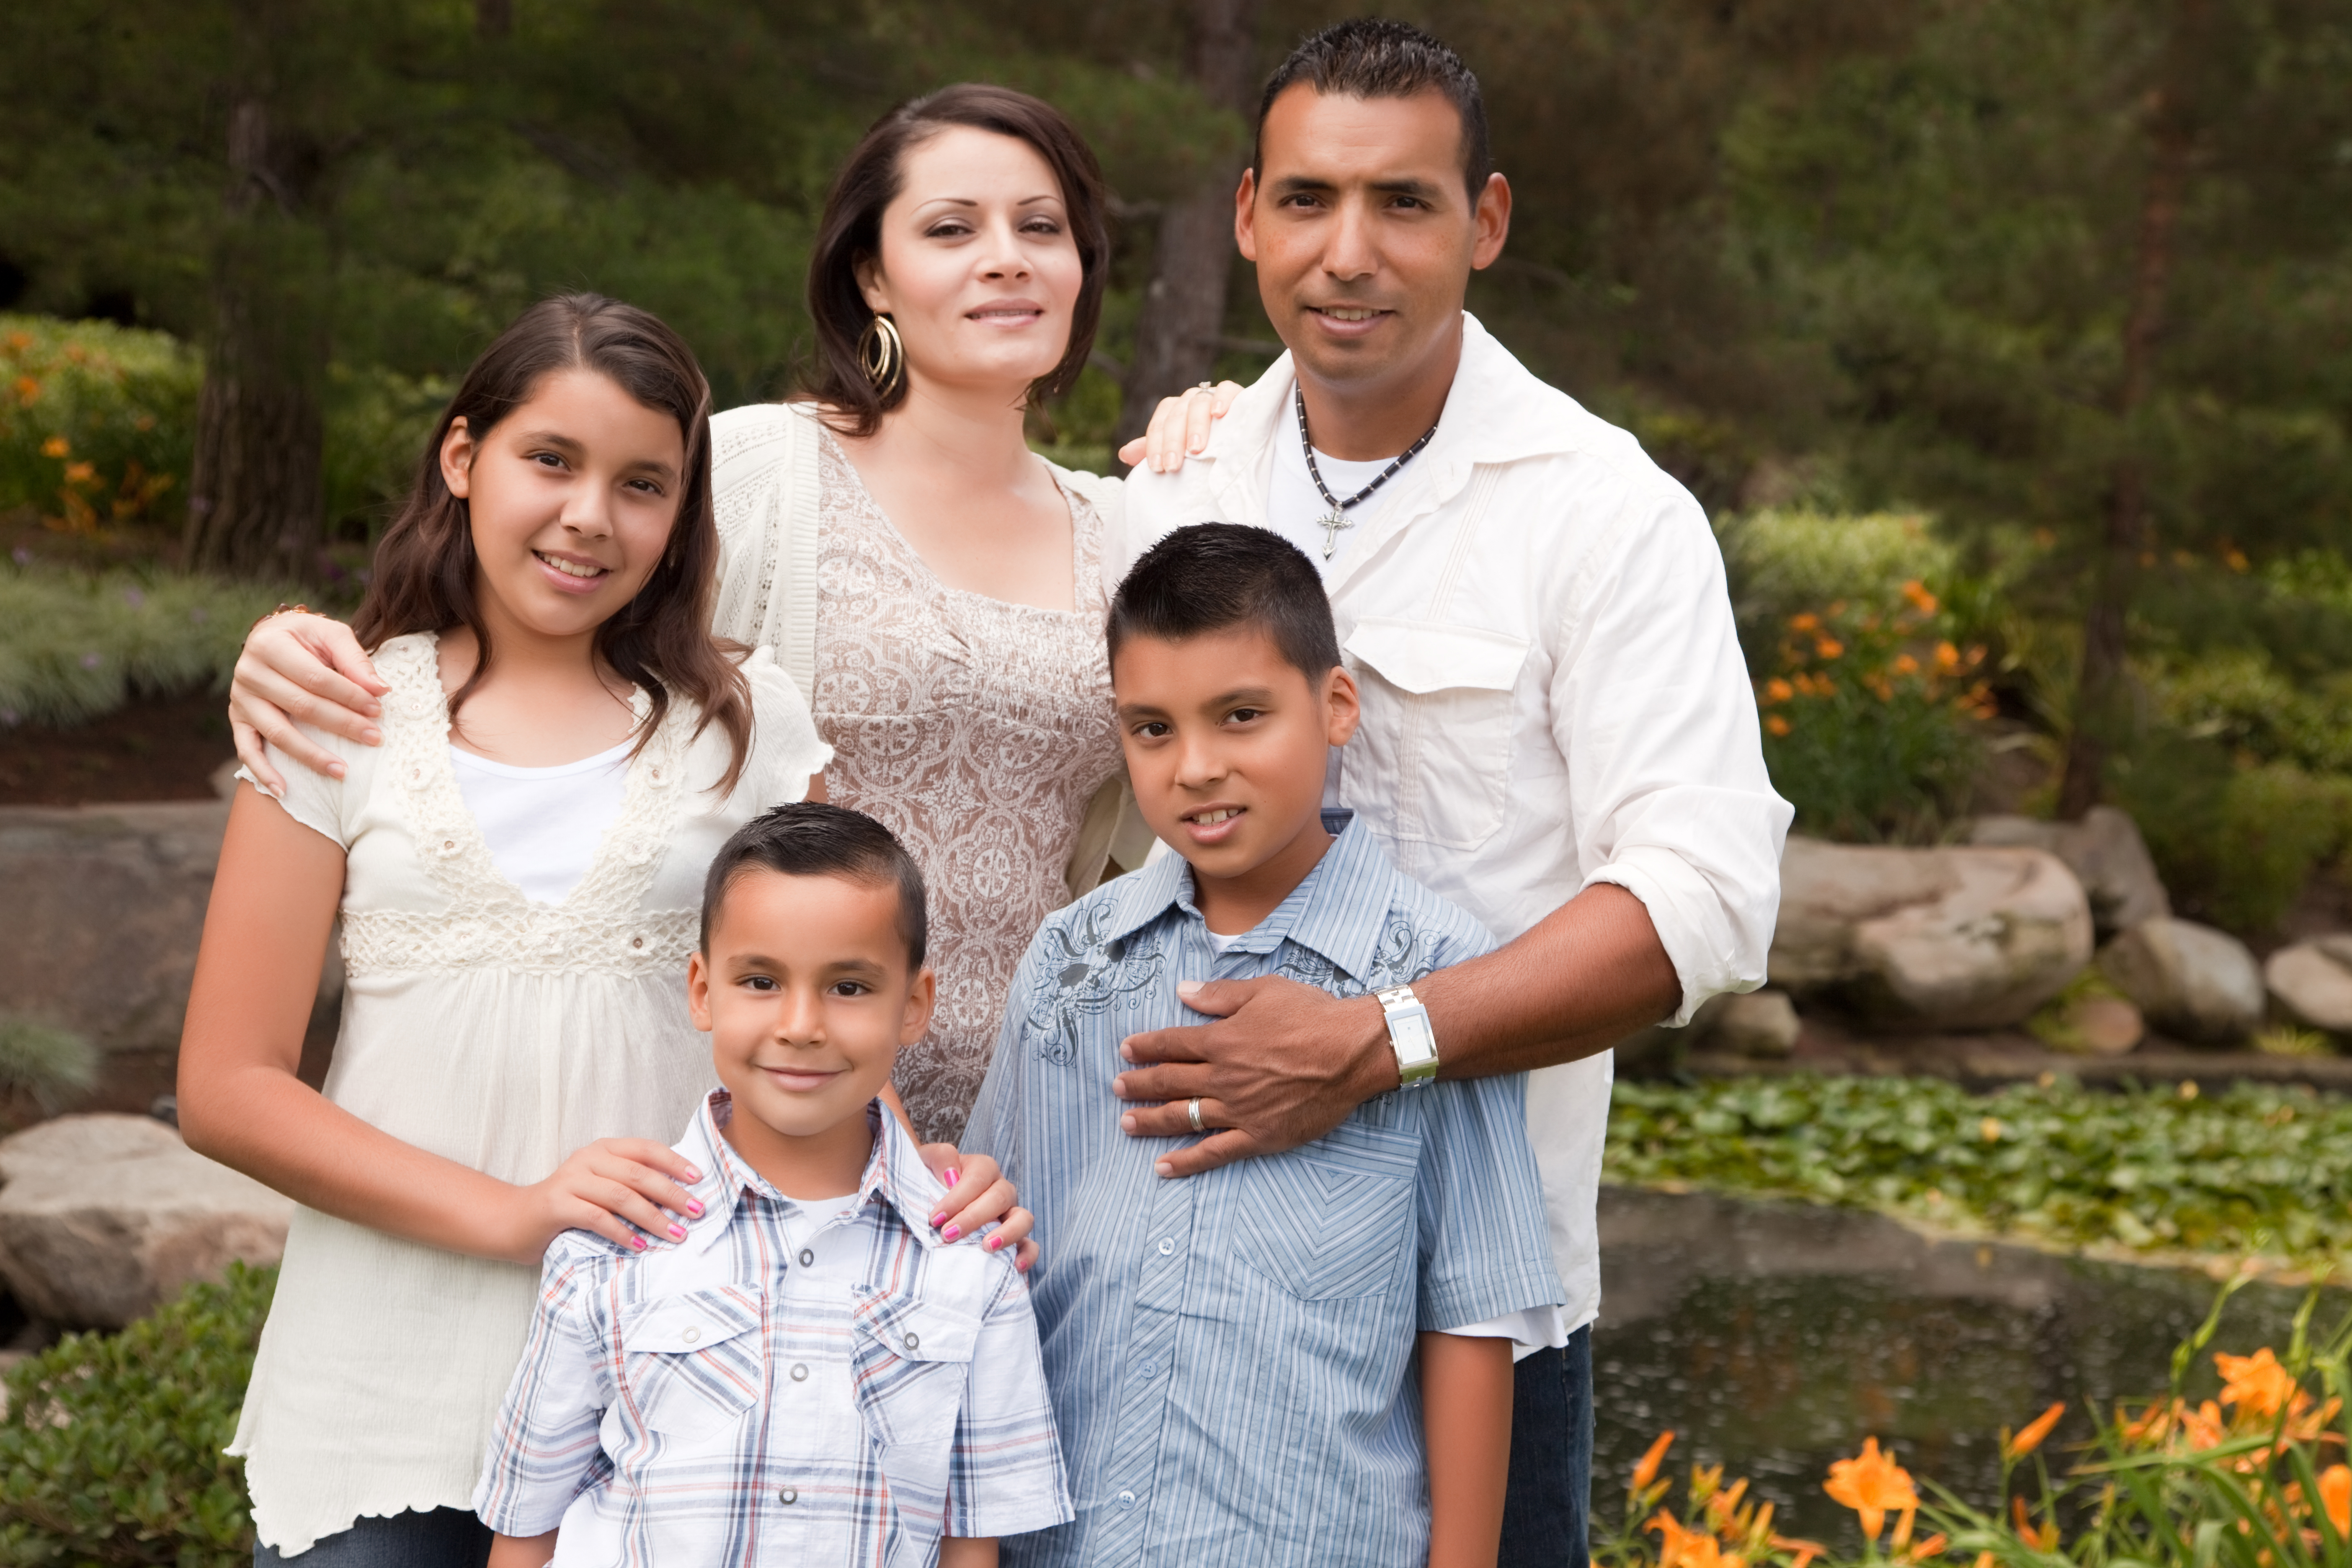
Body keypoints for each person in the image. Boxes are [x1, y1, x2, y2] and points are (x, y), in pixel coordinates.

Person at [224, 84, 1239, 1154]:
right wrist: (294, 636)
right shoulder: (758, 471)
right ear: (872, 275)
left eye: (1043, 228)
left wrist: (1242, 431)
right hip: (765, 1120)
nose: (1008, 258)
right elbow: (541, 601)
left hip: (1046, 1119)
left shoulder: (1137, 527)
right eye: (951, 229)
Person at [175, 295, 1012, 1566]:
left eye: (643, 485)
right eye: (549, 461)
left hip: (678, 1395)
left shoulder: (744, 727)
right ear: (464, 460)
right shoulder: (338, 708)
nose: (588, 518)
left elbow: (820, 1009)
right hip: (380, 1383)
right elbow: (227, 1088)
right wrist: (515, 1213)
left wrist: (933, 1188)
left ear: (683, 516)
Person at [1105, 23, 1792, 1568]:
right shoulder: (1174, 489)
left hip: (1468, 1312)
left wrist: (1374, 1044)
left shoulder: (1605, 515)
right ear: (1244, 216)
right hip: (1171, 1277)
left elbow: (1702, 899)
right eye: (1305, 201)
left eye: (1402, 204)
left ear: (1483, 221)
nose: (1346, 254)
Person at [965, 524, 1564, 1567]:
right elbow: (990, 1266)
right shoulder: (1073, 960)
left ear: (1336, 708)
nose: (1196, 768)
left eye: (1242, 717)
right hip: (1068, 1538)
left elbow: (1470, 1317)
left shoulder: (1436, 975)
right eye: (1152, 730)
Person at [475, 804, 1070, 1568]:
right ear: (701, 991)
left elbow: (970, 1544)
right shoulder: (611, 1246)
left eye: (849, 988)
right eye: (761, 981)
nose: (800, 1025)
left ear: (914, 1005)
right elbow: (527, 1526)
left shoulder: (974, 1265)